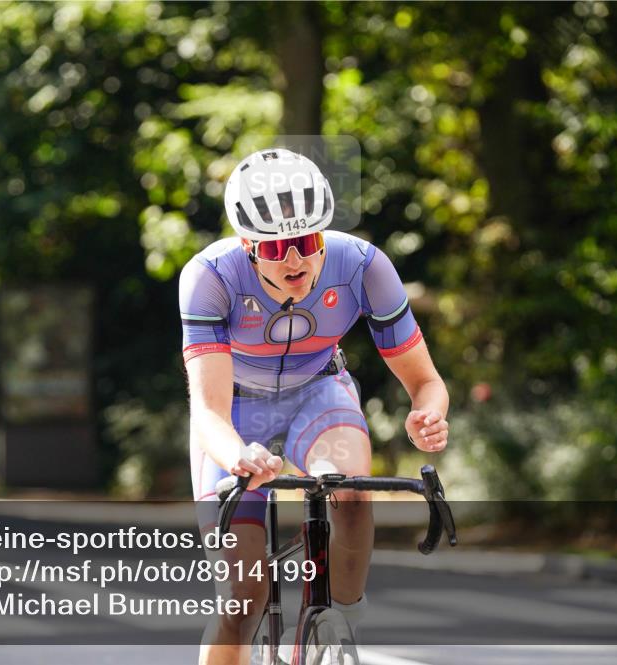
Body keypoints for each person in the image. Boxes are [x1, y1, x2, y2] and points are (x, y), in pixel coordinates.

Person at [179, 148, 450, 665]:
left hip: (317, 390)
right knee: (243, 601)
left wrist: (428, 413)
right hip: (234, 410)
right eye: (276, 248)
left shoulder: (363, 265)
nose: (295, 260)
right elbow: (209, 412)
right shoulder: (209, 276)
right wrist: (237, 455)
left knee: (348, 487)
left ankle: (339, 623)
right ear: (248, 246)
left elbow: (426, 381)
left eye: (306, 242)